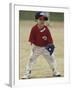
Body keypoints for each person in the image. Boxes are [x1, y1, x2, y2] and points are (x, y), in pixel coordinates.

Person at [23, 12, 61, 79]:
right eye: (40, 19)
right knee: (31, 60)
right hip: (36, 47)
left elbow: (50, 39)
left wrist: (51, 45)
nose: (42, 21)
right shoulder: (34, 29)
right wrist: (33, 47)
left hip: (45, 47)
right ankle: (27, 74)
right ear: (36, 20)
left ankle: (55, 72)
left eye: (44, 19)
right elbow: (31, 39)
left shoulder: (46, 29)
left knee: (52, 59)